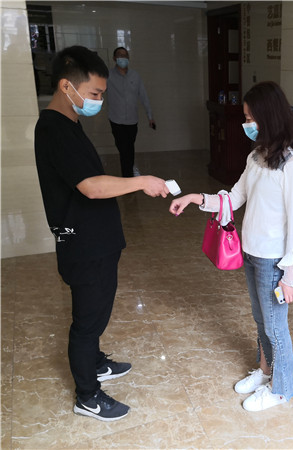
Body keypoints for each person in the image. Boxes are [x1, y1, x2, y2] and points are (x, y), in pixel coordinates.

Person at [34, 45, 169, 421]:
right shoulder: (53, 129)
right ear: (66, 86)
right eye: (94, 93)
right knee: (86, 321)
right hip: (83, 243)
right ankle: (87, 396)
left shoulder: (69, 123)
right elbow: (91, 186)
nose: (98, 101)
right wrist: (140, 181)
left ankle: (95, 362)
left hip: (97, 239)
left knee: (97, 311)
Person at [169, 81, 293, 412]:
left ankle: (283, 388)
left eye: (250, 118)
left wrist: (291, 275)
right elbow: (234, 198)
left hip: (274, 260)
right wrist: (195, 198)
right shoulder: (256, 157)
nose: (246, 124)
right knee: (261, 321)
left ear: (268, 116)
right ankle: (265, 371)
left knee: (275, 327)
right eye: (245, 117)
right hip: (251, 253)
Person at [106, 47, 155, 177]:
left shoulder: (135, 76)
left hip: (132, 121)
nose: (123, 57)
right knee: (124, 149)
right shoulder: (108, 76)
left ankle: (129, 173)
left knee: (129, 148)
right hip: (116, 120)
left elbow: (143, 96)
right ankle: (128, 176)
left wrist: (150, 116)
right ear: (114, 58)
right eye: (120, 55)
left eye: (125, 55)